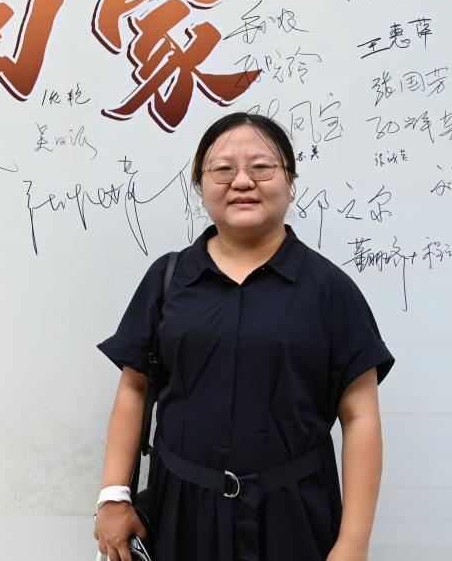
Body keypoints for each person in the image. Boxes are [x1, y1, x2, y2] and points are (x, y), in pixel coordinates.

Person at [93, 113, 394, 561]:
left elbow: (361, 417)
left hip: (294, 514)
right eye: (222, 169)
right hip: (183, 512)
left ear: (290, 182)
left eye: (261, 167)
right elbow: (134, 388)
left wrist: (353, 543)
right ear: (200, 186)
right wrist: (114, 495)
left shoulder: (330, 289)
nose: (242, 181)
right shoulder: (169, 279)